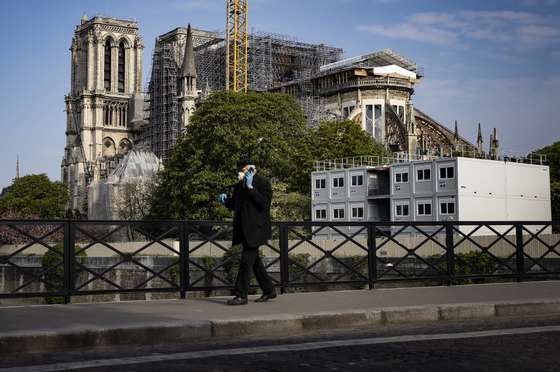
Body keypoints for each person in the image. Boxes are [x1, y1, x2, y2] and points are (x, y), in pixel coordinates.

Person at [218, 158, 277, 305]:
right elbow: (234, 205)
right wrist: (225, 200)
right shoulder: (240, 185)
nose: (240, 173)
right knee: (255, 262)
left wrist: (251, 187)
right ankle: (269, 290)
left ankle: (241, 295)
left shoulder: (262, 183)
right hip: (244, 230)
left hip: (256, 230)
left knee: (246, 262)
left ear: (251, 169)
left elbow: (264, 204)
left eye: (242, 170)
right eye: (239, 171)